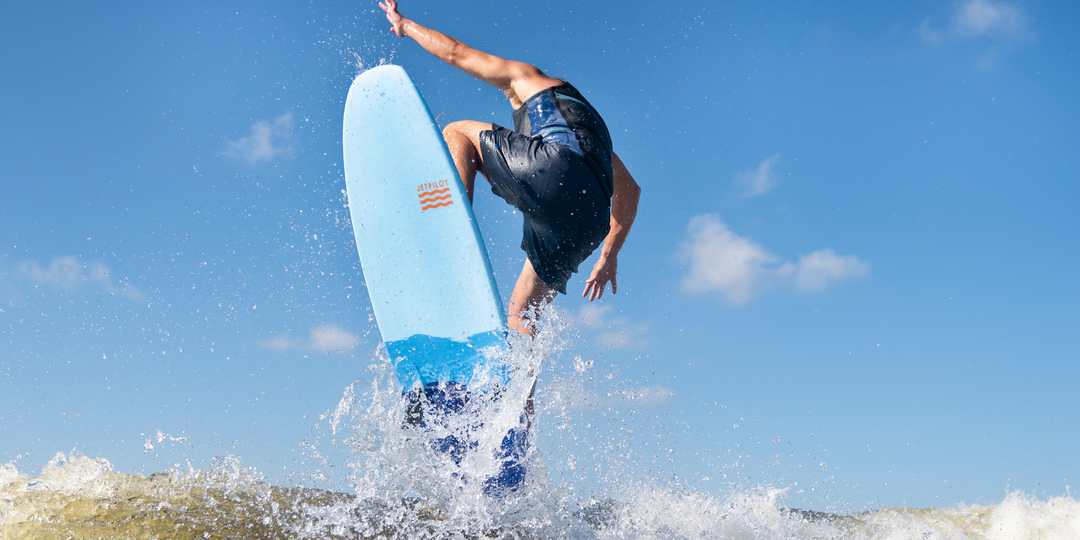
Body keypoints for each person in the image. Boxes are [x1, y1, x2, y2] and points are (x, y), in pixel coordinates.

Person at [379, 0, 641, 337]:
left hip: (556, 169)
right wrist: (609, 254)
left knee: (457, 132)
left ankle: (450, 230)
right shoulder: (594, 140)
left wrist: (405, 25)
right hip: (589, 222)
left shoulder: (526, 78)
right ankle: (516, 392)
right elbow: (630, 190)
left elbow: (456, 53)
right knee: (521, 316)